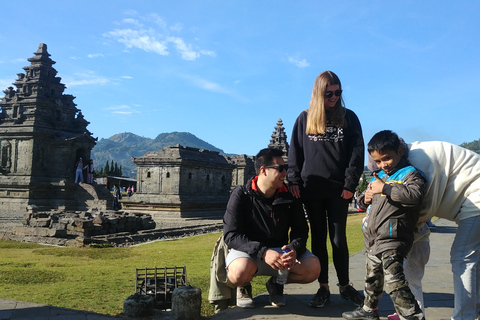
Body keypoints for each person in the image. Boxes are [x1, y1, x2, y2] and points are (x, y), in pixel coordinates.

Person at [287, 70, 365, 307]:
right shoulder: (305, 118)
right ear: (318, 93)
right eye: (328, 93)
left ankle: (344, 285)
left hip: (339, 188)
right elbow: (295, 153)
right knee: (318, 238)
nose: (334, 97)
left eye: (338, 92)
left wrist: (350, 184)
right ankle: (323, 287)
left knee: (338, 238)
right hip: (312, 188)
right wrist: (294, 181)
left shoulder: (349, 117)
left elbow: (356, 152)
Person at [342, 130, 426, 320]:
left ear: (400, 151)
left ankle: (412, 315)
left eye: (387, 158)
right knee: (373, 276)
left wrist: (385, 188)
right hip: (373, 237)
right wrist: (366, 198)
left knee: (394, 280)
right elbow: (362, 203)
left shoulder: (410, 174)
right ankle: (369, 309)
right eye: (378, 161)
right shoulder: (377, 176)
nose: (383, 165)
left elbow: (415, 197)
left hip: (394, 237)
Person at [223, 148, 320, 308]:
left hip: (280, 253)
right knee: (239, 272)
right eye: (280, 168)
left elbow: (300, 230)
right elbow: (231, 235)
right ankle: (244, 286)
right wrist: (263, 252)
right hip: (248, 252)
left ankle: (276, 284)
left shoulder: (289, 196)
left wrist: (294, 248)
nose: (285, 173)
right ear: (263, 170)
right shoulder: (241, 194)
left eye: (286, 168)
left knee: (313, 268)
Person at [405, 141, 480, 320]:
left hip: (476, 196)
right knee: (472, 260)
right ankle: (473, 310)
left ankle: (464, 317)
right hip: (472, 196)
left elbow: (427, 206)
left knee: (463, 257)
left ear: (398, 152)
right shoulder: (413, 154)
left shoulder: (418, 159)